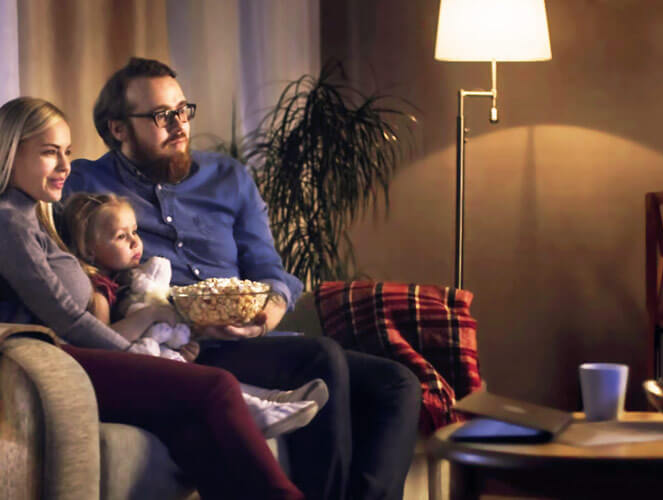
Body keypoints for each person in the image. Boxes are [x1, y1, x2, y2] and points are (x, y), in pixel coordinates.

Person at [63, 56, 422, 500]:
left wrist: (269, 313)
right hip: (182, 347)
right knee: (322, 359)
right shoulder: (84, 183)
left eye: (182, 110)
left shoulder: (228, 177)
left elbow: (270, 268)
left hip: (248, 338)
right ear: (118, 129)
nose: (178, 124)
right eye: (160, 116)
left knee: (397, 383)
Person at [0, 96, 304, 500]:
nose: (65, 167)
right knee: (215, 386)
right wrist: (136, 353)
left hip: (73, 354)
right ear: (9, 151)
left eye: (68, 153)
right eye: (49, 153)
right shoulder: (8, 220)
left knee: (190, 429)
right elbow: (66, 319)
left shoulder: (33, 214)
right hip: (53, 362)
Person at [61, 191, 327, 438]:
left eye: (135, 231)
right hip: (134, 377)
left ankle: (276, 400)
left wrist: (181, 346)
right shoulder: (99, 294)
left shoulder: (129, 283)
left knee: (202, 372)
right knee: (210, 382)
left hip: (155, 358)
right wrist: (152, 314)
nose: (135, 242)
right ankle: (261, 411)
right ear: (89, 250)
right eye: (121, 236)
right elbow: (104, 345)